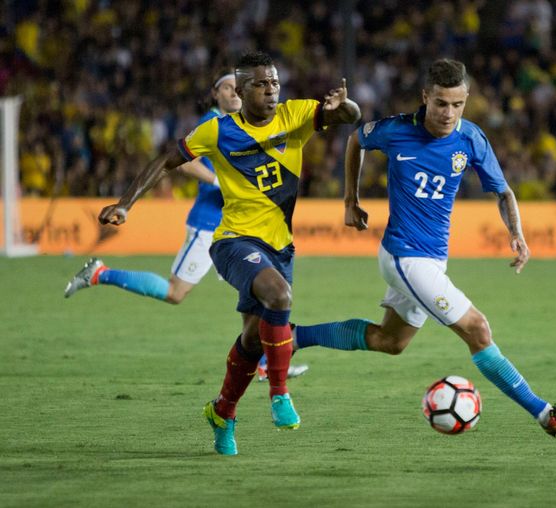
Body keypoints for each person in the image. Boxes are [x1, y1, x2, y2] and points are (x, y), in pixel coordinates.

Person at [291, 59, 556, 437]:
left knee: (391, 341)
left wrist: (516, 232)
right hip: (404, 256)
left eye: (457, 105)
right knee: (478, 330)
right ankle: (546, 414)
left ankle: (292, 337)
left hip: (432, 259)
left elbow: (503, 192)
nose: (449, 113)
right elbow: (356, 140)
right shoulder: (396, 130)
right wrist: (349, 199)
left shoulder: (470, 138)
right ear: (426, 97)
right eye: (441, 104)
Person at [97, 51, 362, 455]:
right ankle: (279, 394)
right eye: (260, 84)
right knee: (280, 297)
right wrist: (125, 204)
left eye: (274, 83)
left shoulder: (295, 115)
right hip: (233, 240)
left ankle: (223, 412)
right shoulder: (218, 131)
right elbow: (165, 161)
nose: (271, 91)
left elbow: (349, 118)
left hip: (280, 246)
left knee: (254, 339)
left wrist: (344, 106)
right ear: (239, 91)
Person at [63, 71, 308, 380]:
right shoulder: (212, 123)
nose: (234, 93)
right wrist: (219, 180)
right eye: (227, 88)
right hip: (210, 224)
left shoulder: (248, 124)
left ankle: (262, 364)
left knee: (257, 295)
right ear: (215, 94)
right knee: (176, 292)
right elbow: (182, 160)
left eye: (238, 88)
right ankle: (99, 273)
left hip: (243, 229)